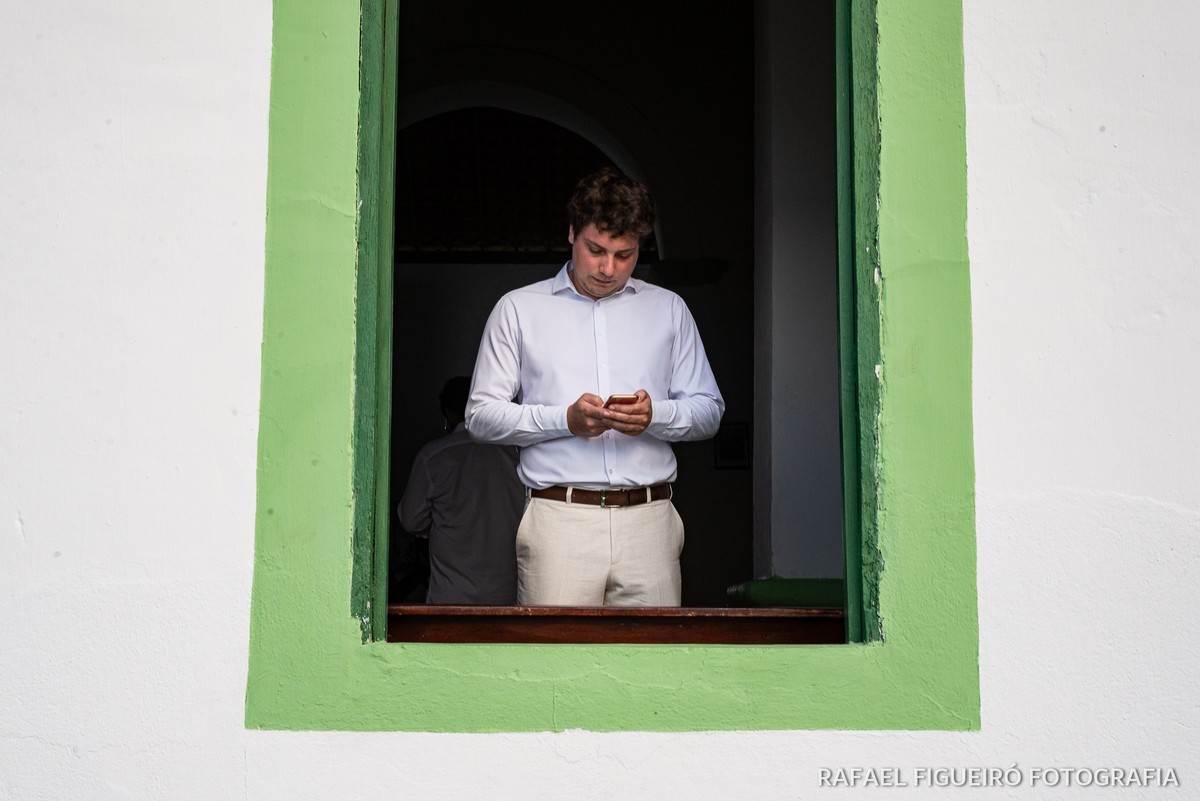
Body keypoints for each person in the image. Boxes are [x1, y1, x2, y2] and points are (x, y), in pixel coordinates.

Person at [465, 166, 724, 606]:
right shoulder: (519, 309)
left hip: (650, 523)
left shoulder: (669, 309)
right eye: (596, 250)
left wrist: (655, 416)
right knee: (555, 651)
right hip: (558, 520)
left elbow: (710, 411)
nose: (608, 268)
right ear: (572, 233)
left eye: (624, 255)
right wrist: (564, 420)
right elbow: (480, 417)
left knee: (653, 651)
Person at [397, 376, 524, 604]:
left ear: (450, 413)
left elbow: (410, 520)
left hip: (451, 595)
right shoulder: (517, 454)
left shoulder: (433, 457)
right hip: (506, 595)